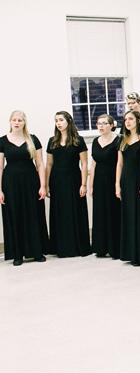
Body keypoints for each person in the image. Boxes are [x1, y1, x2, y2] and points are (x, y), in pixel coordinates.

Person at [0, 110, 48, 265]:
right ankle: (17, 254)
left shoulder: (33, 139)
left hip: (31, 182)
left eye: (20, 120)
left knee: (33, 214)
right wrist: (0, 190)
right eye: (14, 119)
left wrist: (42, 185)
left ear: (24, 122)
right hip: (10, 183)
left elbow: (40, 164)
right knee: (15, 216)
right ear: (10, 121)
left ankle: (37, 252)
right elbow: (0, 167)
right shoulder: (2, 141)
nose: (17, 122)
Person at [46, 110, 90, 257]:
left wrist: (84, 184)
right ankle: (61, 247)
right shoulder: (52, 141)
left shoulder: (78, 140)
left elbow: (84, 163)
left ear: (68, 121)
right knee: (60, 212)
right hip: (57, 181)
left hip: (74, 180)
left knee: (75, 211)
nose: (58, 123)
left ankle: (78, 246)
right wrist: (46, 185)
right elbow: (49, 165)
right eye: (56, 120)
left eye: (61, 120)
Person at [115, 109, 140, 266]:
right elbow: (119, 164)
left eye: (131, 119)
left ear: (138, 121)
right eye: (125, 119)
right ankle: (130, 252)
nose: (127, 122)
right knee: (128, 214)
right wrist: (117, 184)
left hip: (139, 180)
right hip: (126, 181)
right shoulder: (122, 140)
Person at [88, 114, 121, 259]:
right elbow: (93, 164)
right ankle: (101, 247)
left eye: (104, 123)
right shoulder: (95, 141)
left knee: (113, 212)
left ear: (111, 125)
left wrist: (117, 184)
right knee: (100, 212)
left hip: (112, 179)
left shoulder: (118, 139)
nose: (100, 126)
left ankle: (115, 248)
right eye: (98, 123)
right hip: (99, 181)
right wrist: (90, 185)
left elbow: (121, 163)